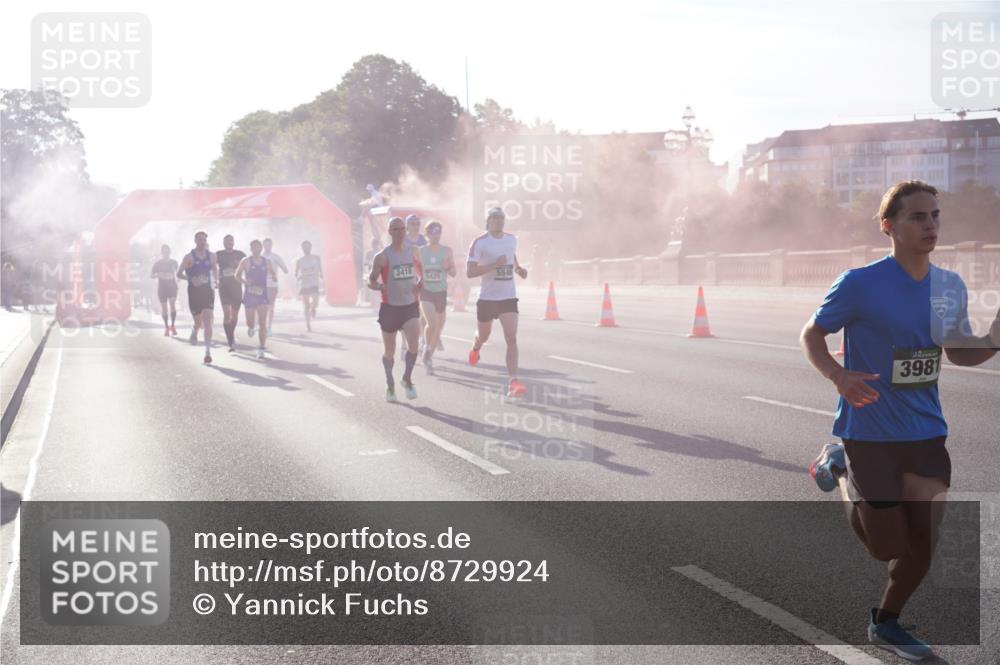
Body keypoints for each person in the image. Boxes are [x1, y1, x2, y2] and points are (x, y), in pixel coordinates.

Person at [801, 181, 1000, 661]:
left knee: (924, 543)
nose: (930, 225)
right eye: (917, 217)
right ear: (889, 226)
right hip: (868, 431)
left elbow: (957, 352)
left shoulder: (949, 286)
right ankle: (839, 466)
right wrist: (838, 375)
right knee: (885, 546)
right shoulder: (860, 283)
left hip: (926, 431)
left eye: (935, 215)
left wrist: (995, 337)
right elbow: (812, 333)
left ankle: (885, 623)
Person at [466, 207, 528, 398]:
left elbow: (511, 255)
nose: (499, 221)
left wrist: (518, 269)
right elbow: (470, 272)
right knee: (484, 336)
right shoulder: (479, 243)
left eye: (501, 217)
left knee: (511, 338)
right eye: (495, 218)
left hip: (508, 297)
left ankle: (513, 381)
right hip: (487, 299)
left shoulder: (512, 239)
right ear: (487, 221)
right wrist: (494, 265)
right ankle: (476, 347)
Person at [368, 216, 421, 402]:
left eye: (402, 229)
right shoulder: (382, 256)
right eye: (395, 230)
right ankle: (390, 383)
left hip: (410, 306)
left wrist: (421, 284)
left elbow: (422, 274)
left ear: (406, 231)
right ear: (389, 232)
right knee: (389, 350)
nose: (399, 233)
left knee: (414, 345)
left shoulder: (414, 252)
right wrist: (380, 287)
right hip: (390, 308)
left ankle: (407, 379)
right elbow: (371, 281)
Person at [418, 220, 455, 375]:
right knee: (432, 324)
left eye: (438, 232)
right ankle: (426, 349)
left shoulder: (447, 250)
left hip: (441, 292)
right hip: (426, 292)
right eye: (432, 232)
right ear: (426, 233)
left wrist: (448, 268)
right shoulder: (420, 251)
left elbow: (453, 272)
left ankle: (427, 356)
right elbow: (415, 270)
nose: (436, 235)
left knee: (438, 329)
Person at [176, 231, 218, 364]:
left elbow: (215, 269)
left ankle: (207, 352)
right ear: (195, 241)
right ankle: (194, 330)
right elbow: (179, 273)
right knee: (198, 321)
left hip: (207, 291)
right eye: (200, 240)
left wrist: (216, 281)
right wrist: (191, 279)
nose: (202, 242)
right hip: (194, 292)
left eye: (204, 239)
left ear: (206, 241)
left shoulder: (212, 256)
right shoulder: (189, 257)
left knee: (208, 319)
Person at [236, 239, 278, 360]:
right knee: (250, 322)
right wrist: (245, 281)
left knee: (262, 323)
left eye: (258, 248)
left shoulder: (267, 261)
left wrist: (274, 277)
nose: (257, 250)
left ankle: (261, 348)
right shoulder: (245, 261)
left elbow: (273, 273)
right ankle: (250, 327)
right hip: (249, 295)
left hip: (262, 295)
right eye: (254, 248)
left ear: (261, 249)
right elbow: (236, 275)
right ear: (251, 249)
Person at [216, 234, 246, 352]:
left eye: (231, 240)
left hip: (236, 287)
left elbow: (248, 266)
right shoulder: (218, 254)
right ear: (223, 243)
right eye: (227, 241)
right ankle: (230, 341)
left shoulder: (240, 254)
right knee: (226, 314)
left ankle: (231, 333)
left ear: (233, 242)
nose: (229, 242)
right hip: (224, 287)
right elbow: (212, 266)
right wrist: (214, 278)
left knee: (235, 316)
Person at [261, 238, 288, 336]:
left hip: (272, 285)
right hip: (261, 285)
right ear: (262, 246)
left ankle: (269, 327)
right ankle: (260, 324)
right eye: (266, 245)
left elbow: (285, 269)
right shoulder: (260, 257)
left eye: (269, 245)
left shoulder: (275, 257)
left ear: (272, 245)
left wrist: (283, 268)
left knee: (271, 307)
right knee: (261, 307)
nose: (268, 247)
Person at [295, 240, 324, 332]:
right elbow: (295, 273)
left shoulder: (317, 258)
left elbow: (321, 269)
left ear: (311, 247)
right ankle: (308, 325)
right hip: (304, 283)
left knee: (316, 301)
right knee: (305, 305)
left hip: (314, 282)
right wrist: (298, 276)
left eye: (307, 246)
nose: (306, 248)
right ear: (302, 248)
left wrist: (322, 274)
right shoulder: (299, 260)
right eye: (304, 247)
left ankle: (313, 308)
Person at [150, 245, 179, 336]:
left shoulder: (174, 262)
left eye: (167, 252)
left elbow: (178, 273)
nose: (166, 253)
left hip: (172, 286)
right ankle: (166, 327)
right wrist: (159, 275)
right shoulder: (157, 264)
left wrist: (178, 279)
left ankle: (173, 326)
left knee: (172, 304)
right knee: (164, 308)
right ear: (161, 253)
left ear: (170, 252)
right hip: (162, 287)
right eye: (164, 252)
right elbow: (151, 275)